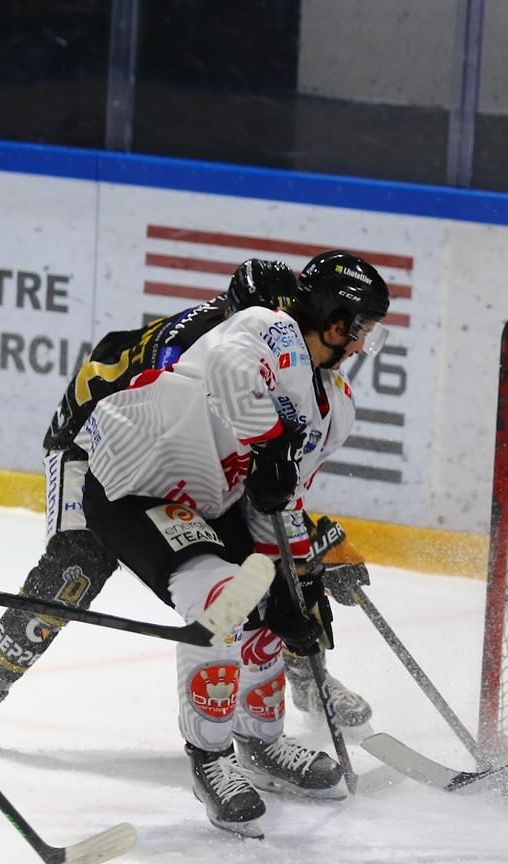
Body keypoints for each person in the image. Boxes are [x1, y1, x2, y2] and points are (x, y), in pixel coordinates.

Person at [0, 259, 375, 742]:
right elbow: (199, 444)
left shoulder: (263, 347)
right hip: (91, 446)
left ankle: (307, 676)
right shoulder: (209, 348)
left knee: (264, 569)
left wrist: (301, 541)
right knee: (74, 569)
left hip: (175, 463)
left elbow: (258, 467)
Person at [70, 250, 392, 834]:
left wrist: (295, 584)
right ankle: (210, 759)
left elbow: (281, 499)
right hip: (133, 482)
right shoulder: (268, 327)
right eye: (362, 326)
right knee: (224, 597)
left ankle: (261, 745)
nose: (362, 342)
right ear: (338, 322)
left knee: (271, 599)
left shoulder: (335, 406)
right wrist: (270, 443)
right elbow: (226, 365)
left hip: (210, 499)